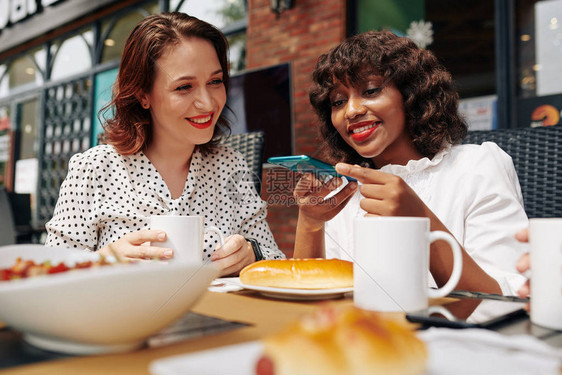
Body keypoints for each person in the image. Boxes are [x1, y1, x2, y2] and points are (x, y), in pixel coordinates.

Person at [45, 12, 284, 275]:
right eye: (184, 87)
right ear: (143, 95)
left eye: (215, 81)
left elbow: (276, 262)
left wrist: (252, 252)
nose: (208, 102)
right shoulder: (94, 168)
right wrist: (101, 261)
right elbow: (47, 275)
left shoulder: (230, 165)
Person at [293, 30, 527, 295]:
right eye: (338, 101)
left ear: (411, 93)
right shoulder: (345, 189)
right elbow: (310, 302)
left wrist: (418, 217)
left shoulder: (477, 166)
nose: (352, 111)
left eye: (370, 90)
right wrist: (310, 223)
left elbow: (500, 301)